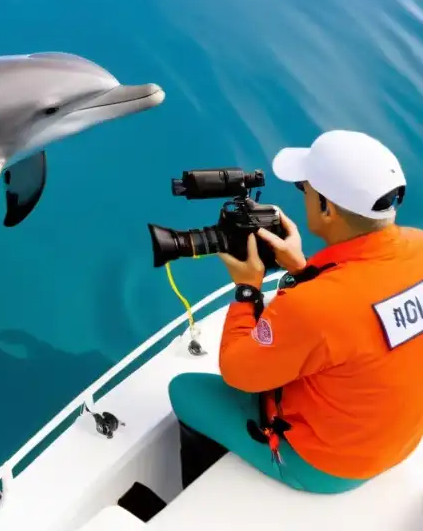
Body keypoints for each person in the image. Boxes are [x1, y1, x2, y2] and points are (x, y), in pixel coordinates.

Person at [168, 129, 423, 494]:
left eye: (305, 189)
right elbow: (363, 315)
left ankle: (203, 496)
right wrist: (304, 272)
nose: (302, 197)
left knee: (186, 391)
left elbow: (239, 373)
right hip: (397, 441)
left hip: (331, 466)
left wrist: (247, 288)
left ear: (327, 209)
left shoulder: (316, 307)